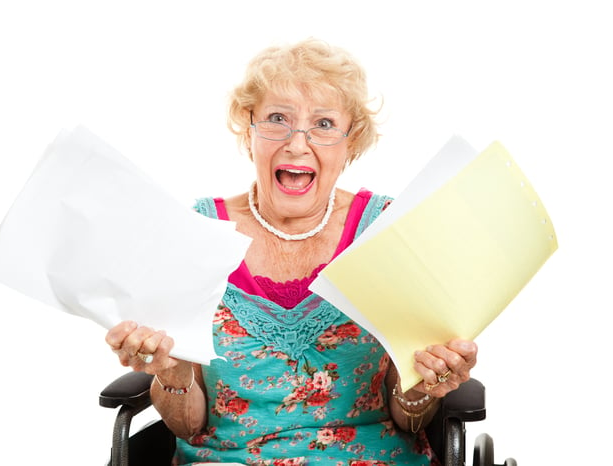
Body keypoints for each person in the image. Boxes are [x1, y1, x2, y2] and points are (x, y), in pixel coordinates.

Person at [106, 38, 478, 466]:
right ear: (249, 129)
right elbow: (188, 426)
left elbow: (409, 417)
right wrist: (170, 371)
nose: (297, 144)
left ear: (350, 141)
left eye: (323, 124)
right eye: (277, 119)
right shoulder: (197, 234)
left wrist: (423, 385)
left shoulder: (388, 231)